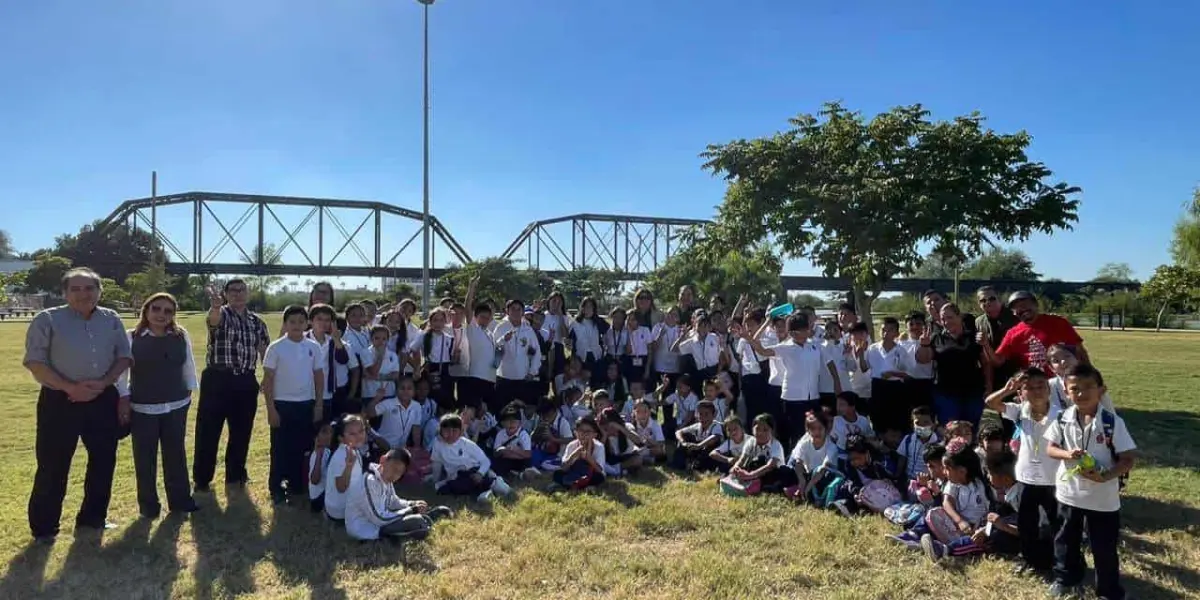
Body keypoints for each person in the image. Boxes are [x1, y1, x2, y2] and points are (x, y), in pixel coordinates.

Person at [23, 268, 133, 539]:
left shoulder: (111, 319)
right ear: (64, 292)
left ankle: (93, 519)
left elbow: (123, 356)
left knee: (103, 461)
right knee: (53, 464)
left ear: (99, 291)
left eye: (90, 288)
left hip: (102, 399)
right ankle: (44, 528)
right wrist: (70, 388)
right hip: (60, 401)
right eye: (76, 289)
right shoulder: (47, 319)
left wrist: (106, 382)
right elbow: (35, 362)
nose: (84, 294)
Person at [1045, 364, 1136, 600]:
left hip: (1102, 499)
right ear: (1066, 392)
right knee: (1065, 541)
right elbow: (1050, 448)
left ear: (1101, 390)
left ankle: (1108, 591)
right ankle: (1066, 579)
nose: (1082, 394)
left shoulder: (1112, 422)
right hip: (1069, 494)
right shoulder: (1062, 419)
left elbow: (1127, 459)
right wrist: (1068, 454)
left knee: (1104, 548)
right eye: (1075, 389)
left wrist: (1104, 476)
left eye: (1088, 388)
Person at [116, 292, 200, 519]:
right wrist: (123, 398)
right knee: (145, 458)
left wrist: (188, 393)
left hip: (176, 404)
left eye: (168, 311)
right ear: (146, 310)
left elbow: (188, 366)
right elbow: (121, 374)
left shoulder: (181, 335)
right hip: (143, 408)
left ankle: (181, 501)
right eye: (156, 309)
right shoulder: (131, 337)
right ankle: (149, 506)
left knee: (176, 455)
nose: (161, 315)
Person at [194, 278, 270, 493]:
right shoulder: (221, 314)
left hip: (245, 381)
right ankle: (202, 479)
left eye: (242, 290)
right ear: (226, 294)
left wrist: (267, 376)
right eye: (233, 290)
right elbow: (213, 320)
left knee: (241, 431)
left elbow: (265, 351)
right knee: (208, 430)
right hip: (218, 380)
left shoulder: (257, 322)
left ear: (248, 293)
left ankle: (235, 475)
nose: (238, 294)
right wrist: (216, 306)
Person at [986, 368, 1060, 575]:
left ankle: (1061, 561)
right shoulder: (1020, 411)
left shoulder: (1061, 416)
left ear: (1048, 389)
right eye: (1029, 387)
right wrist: (1007, 389)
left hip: (1053, 480)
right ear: (1022, 391)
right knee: (1027, 524)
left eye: (1041, 386)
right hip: (1027, 479)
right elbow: (991, 403)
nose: (1036, 391)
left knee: (1056, 524)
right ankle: (1031, 560)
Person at [741, 313, 839, 447]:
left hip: (813, 397)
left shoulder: (815, 345)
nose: (807, 332)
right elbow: (763, 351)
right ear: (793, 333)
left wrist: (837, 383)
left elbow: (830, 362)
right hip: (792, 399)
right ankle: (793, 461)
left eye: (807, 329)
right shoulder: (785, 347)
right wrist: (749, 338)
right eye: (803, 330)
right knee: (796, 433)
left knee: (813, 430)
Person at [262, 305, 325, 505]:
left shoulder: (313, 347)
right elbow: (268, 380)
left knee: (303, 446)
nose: (297, 325)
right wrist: (271, 409)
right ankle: (276, 486)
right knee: (280, 447)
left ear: (307, 323)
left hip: (306, 404)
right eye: (292, 322)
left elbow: (319, 377)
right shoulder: (276, 347)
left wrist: (318, 405)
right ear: (285, 324)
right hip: (282, 405)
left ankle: (297, 483)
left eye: (301, 321)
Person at [344, 448, 454, 542]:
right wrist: (411, 510)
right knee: (417, 522)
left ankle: (425, 519)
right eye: (393, 468)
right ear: (383, 460)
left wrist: (411, 504)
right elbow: (379, 518)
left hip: (381, 522)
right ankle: (423, 521)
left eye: (399, 473)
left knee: (416, 520)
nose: (395, 475)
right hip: (367, 529)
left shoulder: (385, 478)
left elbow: (393, 502)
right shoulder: (369, 481)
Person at [920, 303, 992, 428]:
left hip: (972, 392)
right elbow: (923, 360)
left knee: (971, 429)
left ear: (959, 317)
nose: (946, 322)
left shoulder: (973, 337)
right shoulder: (936, 338)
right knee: (950, 430)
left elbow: (986, 363)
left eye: (950, 317)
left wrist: (989, 385)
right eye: (943, 319)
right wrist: (924, 345)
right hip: (946, 394)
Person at [989, 291, 1089, 376]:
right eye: (1017, 308)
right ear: (1013, 312)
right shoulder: (1013, 333)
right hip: (1036, 384)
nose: (1022, 309)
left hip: (1064, 378)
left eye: (1026, 305)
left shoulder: (1057, 322)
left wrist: (1090, 374)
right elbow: (998, 361)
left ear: (1036, 305)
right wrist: (985, 344)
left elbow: (1079, 350)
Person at [429, 413, 514, 502]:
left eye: (454, 431)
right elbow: (437, 463)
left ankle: (493, 484)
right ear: (440, 431)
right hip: (456, 476)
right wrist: (436, 481)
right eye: (446, 431)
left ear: (461, 432)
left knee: (469, 480)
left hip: (473, 471)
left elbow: (485, 461)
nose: (450, 434)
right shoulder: (438, 443)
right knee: (443, 489)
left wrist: (480, 473)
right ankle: (487, 490)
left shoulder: (466, 444)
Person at [493, 299, 543, 414]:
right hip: (504, 377)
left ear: (523, 312)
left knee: (521, 412)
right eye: (512, 309)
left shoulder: (528, 329)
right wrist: (503, 340)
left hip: (523, 378)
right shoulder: (501, 328)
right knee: (503, 411)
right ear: (507, 311)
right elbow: (493, 349)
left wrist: (532, 371)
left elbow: (537, 352)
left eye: (518, 309)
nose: (515, 312)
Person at [458, 276, 498, 415]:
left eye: (488, 317)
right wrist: (471, 288)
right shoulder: (473, 329)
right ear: (475, 317)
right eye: (482, 317)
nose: (485, 320)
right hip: (475, 378)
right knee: (471, 414)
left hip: (490, 380)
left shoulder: (491, 334)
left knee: (486, 416)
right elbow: (467, 308)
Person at [727, 414, 795, 493]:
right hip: (755, 474)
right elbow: (742, 460)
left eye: (765, 430)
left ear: (772, 431)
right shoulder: (751, 442)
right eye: (757, 429)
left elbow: (770, 466)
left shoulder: (776, 445)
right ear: (752, 430)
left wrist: (749, 475)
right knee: (751, 464)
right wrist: (735, 468)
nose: (760, 433)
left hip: (772, 474)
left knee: (784, 471)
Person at [864, 317, 910, 435]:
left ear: (896, 333)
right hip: (877, 386)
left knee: (895, 419)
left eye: (890, 330)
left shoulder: (901, 350)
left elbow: (907, 374)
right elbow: (865, 367)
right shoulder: (872, 348)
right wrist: (859, 354)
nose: (886, 333)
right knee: (878, 419)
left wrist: (893, 374)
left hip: (895, 387)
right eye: (883, 329)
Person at [325, 415, 367, 521]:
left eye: (361, 431)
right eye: (352, 434)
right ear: (341, 438)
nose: (359, 436)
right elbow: (341, 488)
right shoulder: (341, 456)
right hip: (340, 510)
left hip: (346, 504)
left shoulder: (353, 450)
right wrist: (349, 466)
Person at [551, 416, 608, 491]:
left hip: (590, 475)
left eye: (588, 432)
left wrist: (589, 458)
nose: (584, 434)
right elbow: (564, 467)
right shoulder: (572, 445)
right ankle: (574, 484)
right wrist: (574, 455)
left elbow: (600, 471)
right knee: (557, 474)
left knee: (599, 477)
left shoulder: (599, 447)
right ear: (576, 433)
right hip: (573, 473)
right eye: (581, 431)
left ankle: (581, 486)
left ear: (594, 435)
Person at [975, 286, 1018, 384]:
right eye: (983, 300)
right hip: (992, 374)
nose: (987, 303)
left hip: (1014, 371)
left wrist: (985, 343)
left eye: (992, 299)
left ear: (1000, 299)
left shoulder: (1014, 318)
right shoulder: (979, 322)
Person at [671, 400, 724, 472]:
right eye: (700, 414)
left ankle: (697, 465)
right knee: (685, 436)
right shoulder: (698, 425)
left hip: (711, 454)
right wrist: (683, 442)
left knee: (712, 444)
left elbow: (715, 437)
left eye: (706, 414)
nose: (703, 417)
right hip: (699, 450)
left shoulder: (716, 425)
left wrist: (699, 445)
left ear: (713, 415)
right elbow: (678, 432)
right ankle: (680, 463)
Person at [896, 406, 940, 485]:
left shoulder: (939, 444)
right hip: (908, 481)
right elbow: (901, 460)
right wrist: (897, 478)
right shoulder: (908, 439)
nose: (922, 426)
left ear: (934, 424)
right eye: (917, 423)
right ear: (913, 425)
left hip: (927, 483)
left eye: (926, 422)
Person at [307, 422, 334, 513]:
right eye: (324, 432)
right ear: (316, 437)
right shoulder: (316, 455)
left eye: (330, 432)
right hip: (318, 499)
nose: (329, 435)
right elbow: (314, 480)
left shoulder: (327, 451)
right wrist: (319, 456)